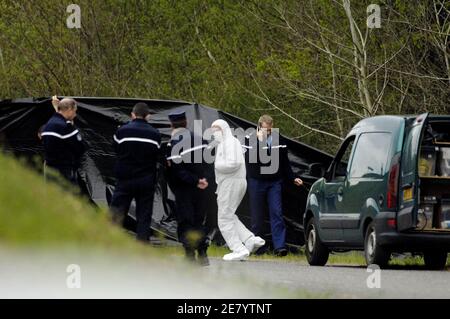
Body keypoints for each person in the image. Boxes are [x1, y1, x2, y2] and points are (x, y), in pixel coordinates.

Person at [244, 114, 303, 257]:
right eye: (265, 130)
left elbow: (284, 162)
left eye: (270, 130)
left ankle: (280, 247)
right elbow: (248, 160)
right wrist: (259, 142)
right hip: (256, 181)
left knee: (276, 212)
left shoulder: (279, 140)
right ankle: (257, 246)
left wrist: (292, 177)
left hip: (274, 182)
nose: (268, 133)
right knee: (257, 215)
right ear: (259, 127)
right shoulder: (250, 139)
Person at [211, 119, 265, 261]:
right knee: (229, 215)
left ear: (224, 129)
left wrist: (218, 165)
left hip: (231, 183)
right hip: (233, 182)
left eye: (216, 130)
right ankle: (249, 239)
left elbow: (233, 163)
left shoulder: (230, 143)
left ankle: (238, 248)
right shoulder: (227, 143)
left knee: (223, 219)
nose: (214, 133)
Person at [110, 102, 161, 243]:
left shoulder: (122, 131)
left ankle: (110, 244)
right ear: (148, 116)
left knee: (117, 213)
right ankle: (142, 247)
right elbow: (156, 154)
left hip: (125, 178)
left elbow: (116, 149)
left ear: (133, 114)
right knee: (144, 215)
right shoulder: (155, 134)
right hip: (145, 180)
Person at [166, 111, 211, 265]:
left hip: (184, 189)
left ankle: (190, 255)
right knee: (199, 220)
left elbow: (177, 171)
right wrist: (204, 180)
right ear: (186, 123)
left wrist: (194, 181)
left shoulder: (173, 144)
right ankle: (203, 254)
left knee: (186, 221)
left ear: (172, 125)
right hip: (202, 188)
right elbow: (210, 164)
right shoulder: (202, 140)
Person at [41, 96, 85, 185]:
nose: (75, 115)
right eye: (74, 111)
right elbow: (80, 147)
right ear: (69, 109)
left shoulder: (49, 124)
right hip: (64, 172)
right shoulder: (64, 126)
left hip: (51, 170)